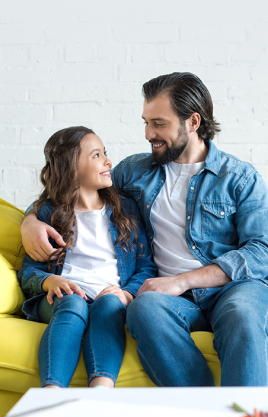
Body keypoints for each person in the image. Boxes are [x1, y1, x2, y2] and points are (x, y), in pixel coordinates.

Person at [21, 73, 268, 387]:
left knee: (244, 317)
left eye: (159, 123)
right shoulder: (134, 171)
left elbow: (261, 250)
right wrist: (31, 221)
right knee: (143, 309)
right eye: (146, 122)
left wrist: (181, 281)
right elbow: (71, 190)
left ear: (193, 122)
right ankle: (203, 416)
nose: (149, 133)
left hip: (233, 289)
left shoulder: (239, 177)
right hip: (165, 297)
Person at [18, 126, 157, 389]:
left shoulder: (124, 209)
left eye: (105, 153)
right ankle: (50, 393)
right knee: (73, 303)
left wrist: (126, 293)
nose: (108, 161)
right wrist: (50, 282)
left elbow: (146, 266)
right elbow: (28, 272)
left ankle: (101, 391)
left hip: (110, 297)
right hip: (62, 299)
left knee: (108, 305)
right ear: (71, 167)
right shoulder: (49, 214)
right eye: (96, 155)